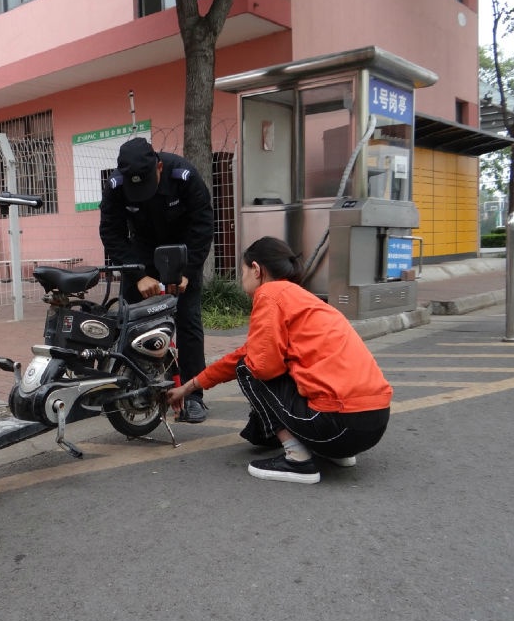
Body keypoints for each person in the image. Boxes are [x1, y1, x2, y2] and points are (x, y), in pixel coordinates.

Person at [166, 236, 392, 483]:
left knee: (248, 369)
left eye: (243, 271)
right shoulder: (302, 297)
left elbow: (259, 366)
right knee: (259, 363)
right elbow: (245, 352)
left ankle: (298, 460)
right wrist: (188, 388)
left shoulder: (269, 294)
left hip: (336, 426)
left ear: (256, 269)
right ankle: (334, 453)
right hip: (373, 425)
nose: (242, 278)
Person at [100, 137, 214, 422]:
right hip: (141, 252)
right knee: (130, 320)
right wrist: (138, 276)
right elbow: (111, 232)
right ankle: (133, 387)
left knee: (187, 320)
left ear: (159, 167)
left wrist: (187, 272)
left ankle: (192, 396)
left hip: (182, 250)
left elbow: (202, 226)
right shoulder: (115, 185)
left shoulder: (184, 176)